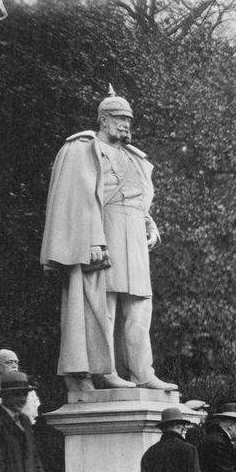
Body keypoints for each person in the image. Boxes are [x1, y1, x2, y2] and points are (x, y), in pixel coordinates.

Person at [40, 88, 175, 394]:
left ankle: (143, 372)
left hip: (134, 239)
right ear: (103, 119)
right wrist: (91, 239)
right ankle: (107, 370)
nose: (125, 124)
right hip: (103, 234)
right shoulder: (83, 148)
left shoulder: (134, 157)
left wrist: (148, 222)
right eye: (119, 118)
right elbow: (77, 200)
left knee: (140, 305)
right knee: (105, 305)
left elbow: (139, 200)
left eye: (128, 118)